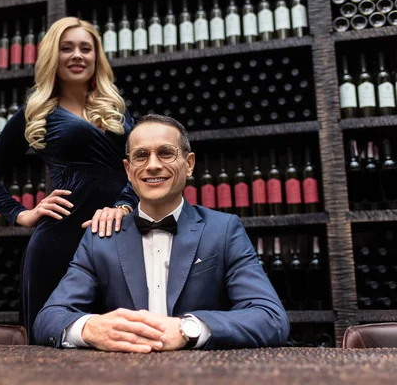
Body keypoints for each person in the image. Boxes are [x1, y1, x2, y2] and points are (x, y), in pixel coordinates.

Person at [33, 114, 290, 352]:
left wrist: (188, 329)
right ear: (128, 170)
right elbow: (49, 318)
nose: (153, 165)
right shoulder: (100, 236)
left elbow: (270, 317)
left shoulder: (223, 230)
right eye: (141, 155)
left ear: (189, 164)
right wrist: (90, 328)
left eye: (166, 153)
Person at [0, 17, 138, 344]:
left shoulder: (115, 110)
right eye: (67, 48)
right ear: (53, 56)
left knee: (118, 343)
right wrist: (21, 214)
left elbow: (136, 167)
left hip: (116, 236)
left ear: (96, 57)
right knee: (52, 347)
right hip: (59, 241)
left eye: (85, 48)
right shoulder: (37, 112)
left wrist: (125, 204)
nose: (77, 55)